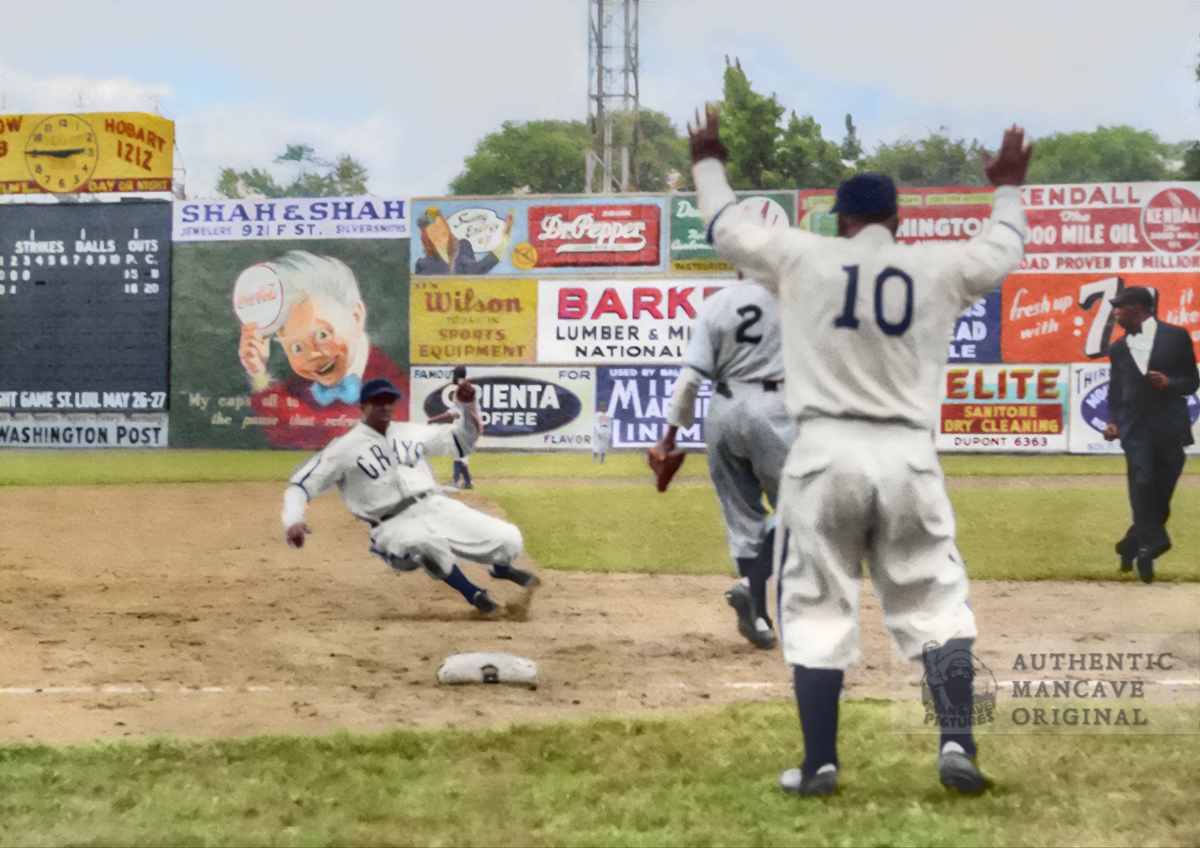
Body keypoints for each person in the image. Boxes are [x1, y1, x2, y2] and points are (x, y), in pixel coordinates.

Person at [689, 104, 1031, 797]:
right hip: (907, 454)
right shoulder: (935, 267)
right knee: (936, 599)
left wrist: (707, 160)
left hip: (821, 454)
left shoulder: (803, 256)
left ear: (840, 220)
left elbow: (724, 228)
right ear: (896, 221)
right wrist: (1007, 186)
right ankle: (957, 743)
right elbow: (1002, 249)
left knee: (816, 609)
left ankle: (819, 764)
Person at [282, 378, 538, 617]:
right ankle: (473, 593)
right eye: (377, 401)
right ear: (363, 406)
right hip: (391, 524)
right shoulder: (343, 448)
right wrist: (294, 519)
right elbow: (301, 486)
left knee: (509, 538)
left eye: (389, 400)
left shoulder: (411, 432)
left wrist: (468, 405)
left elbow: (463, 441)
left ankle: (501, 568)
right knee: (423, 542)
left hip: (433, 505)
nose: (385, 406)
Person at [653, 269, 796, 651]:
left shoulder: (716, 304)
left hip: (722, 410)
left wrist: (669, 437)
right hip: (777, 407)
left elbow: (689, 380)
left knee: (742, 519)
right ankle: (752, 588)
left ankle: (760, 620)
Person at [238, 251, 407, 450]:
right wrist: (259, 373)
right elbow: (285, 433)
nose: (312, 355)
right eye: (296, 347)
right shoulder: (299, 387)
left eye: (322, 335)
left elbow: (344, 434)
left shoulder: (392, 377)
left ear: (356, 317)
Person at [1103, 286, 1199, 584]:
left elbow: (1192, 381)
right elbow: (1115, 390)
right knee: (1142, 482)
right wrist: (1112, 421)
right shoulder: (1119, 348)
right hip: (1135, 428)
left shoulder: (1176, 336)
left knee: (1161, 495)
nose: (1115, 312)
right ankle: (1153, 544)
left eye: (1119, 306)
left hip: (1170, 426)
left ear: (1138, 308)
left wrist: (1170, 381)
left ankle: (1130, 546)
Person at [414, 206, 514, 275]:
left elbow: (475, 270)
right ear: (427, 237)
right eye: (433, 231)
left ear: (446, 226)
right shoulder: (423, 265)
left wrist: (501, 248)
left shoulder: (463, 247)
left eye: (440, 227)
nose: (439, 233)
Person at [430, 365, 483, 489]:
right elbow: (472, 410)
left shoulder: (460, 391)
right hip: (470, 430)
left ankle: (457, 481)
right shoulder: (469, 389)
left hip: (463, 429)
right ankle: (467, 482)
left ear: (456, 375)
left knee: (458, 455)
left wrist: (433, 419)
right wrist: (479, 425)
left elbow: (456, 412)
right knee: (461, 456)